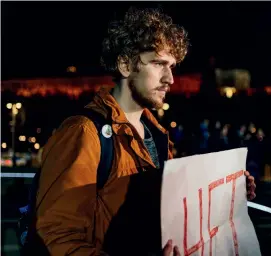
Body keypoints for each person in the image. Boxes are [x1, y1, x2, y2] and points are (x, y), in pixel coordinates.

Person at [34, 7, 257, 256]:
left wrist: (227, 195)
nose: (170, 78)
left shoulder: (156, 135)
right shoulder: (84, 133)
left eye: (172, 66)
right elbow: (59, 237)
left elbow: (170, 211)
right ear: (125, 64)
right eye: (159, 63)